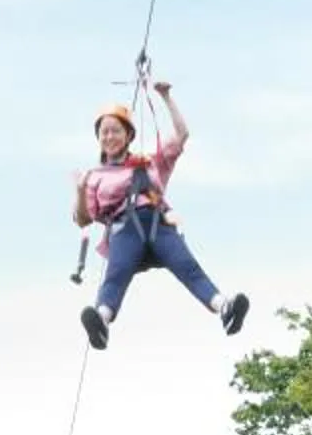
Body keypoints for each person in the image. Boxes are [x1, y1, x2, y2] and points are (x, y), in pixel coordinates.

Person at [75, 80, 246, 349]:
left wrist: (166, 97)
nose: (109, 137)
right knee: (116, 274)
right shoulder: (95, 176)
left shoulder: (150, 163)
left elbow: (182, 134)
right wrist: (80, 189)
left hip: (158, 224)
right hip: (124, 228)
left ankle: (224, 307)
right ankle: (102, 321)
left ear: (128, 135)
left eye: (115, 131)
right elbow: (83, 219)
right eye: (104, 132)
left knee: (187, 266)